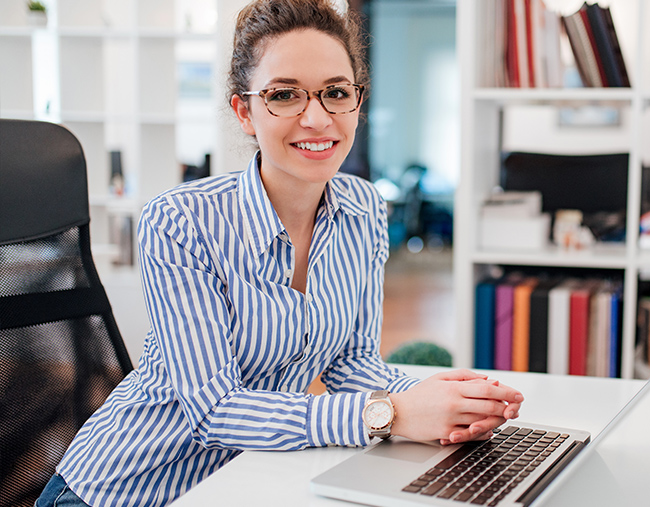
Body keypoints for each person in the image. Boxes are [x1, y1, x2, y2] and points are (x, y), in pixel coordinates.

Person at [35, 1, 523, 505]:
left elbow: (352, 362)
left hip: (246, 480)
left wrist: (443, 402)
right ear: (244, 111)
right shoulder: (181, 222)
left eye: (336, 92)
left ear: (357, 103)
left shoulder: (365, 210)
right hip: (125, 488)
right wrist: (391, 414)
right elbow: (216, 411)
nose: (316, 118)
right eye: (285, 95)